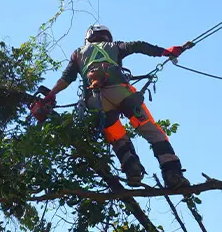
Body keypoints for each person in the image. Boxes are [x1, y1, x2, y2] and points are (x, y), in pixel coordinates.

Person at [42, 24, 191, 189]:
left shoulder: (78, 53)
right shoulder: (114, 46)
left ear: (87, 38)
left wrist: (51, 94)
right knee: (152, 131)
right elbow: (137, 45)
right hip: (121, 93)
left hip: (95, 101)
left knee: (117, 136)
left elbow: (65, 79)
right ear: (107, 36)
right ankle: (172, 175)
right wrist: (165, 51)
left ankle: (132, 169)